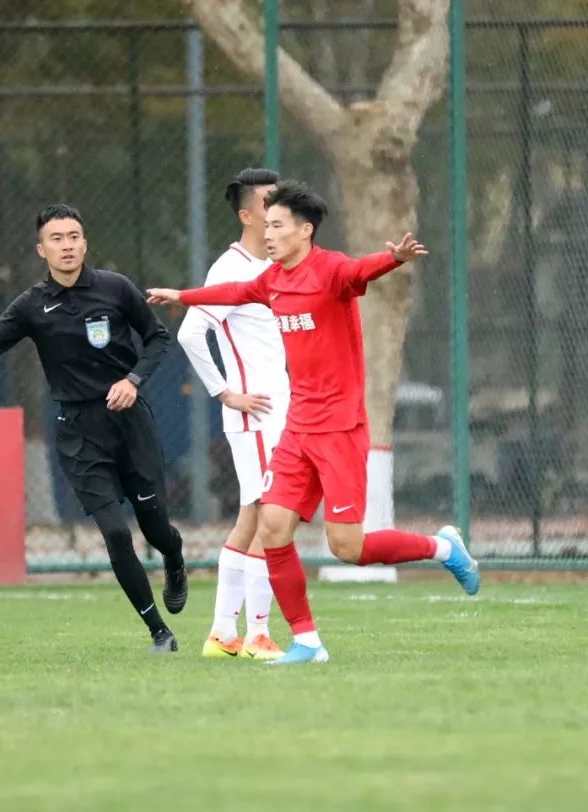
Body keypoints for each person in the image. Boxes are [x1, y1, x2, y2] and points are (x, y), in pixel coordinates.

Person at [147, 180, 480, 665]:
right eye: (267, 224)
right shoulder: (271, 278)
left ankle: (442, 548)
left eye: (278, 225)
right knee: (274, 524)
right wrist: (183, 294)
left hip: (340, 429)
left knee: (348, 547)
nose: (269, 232)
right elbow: (235, 291)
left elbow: (364, 267)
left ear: (304, 231)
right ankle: (307, 641)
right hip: (298, 427)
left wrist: (397, 259)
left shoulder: (332, 271)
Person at [0, 203, 189, 653]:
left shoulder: (115, 288)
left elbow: (158, 338)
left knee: (156, 530)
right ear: (42, 249)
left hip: (130, 423)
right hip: (78, 431)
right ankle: (159, 632)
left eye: (74, 236)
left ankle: (174, 557)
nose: (67, 245)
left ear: (85, 242)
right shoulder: (32, 305)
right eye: (57, 238)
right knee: (114, 531)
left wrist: (133, 380)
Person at [176, 168, 287, 661]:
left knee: (252, 517)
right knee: (271, 516)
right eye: (267, 204)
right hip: (255, 412)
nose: (276, 212)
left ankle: (223, 634)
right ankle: (259, 634)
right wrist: (226, 393)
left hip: (277, 409)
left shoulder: (282, 264)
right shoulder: (231, 268)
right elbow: (189, 333)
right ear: (246, 215)